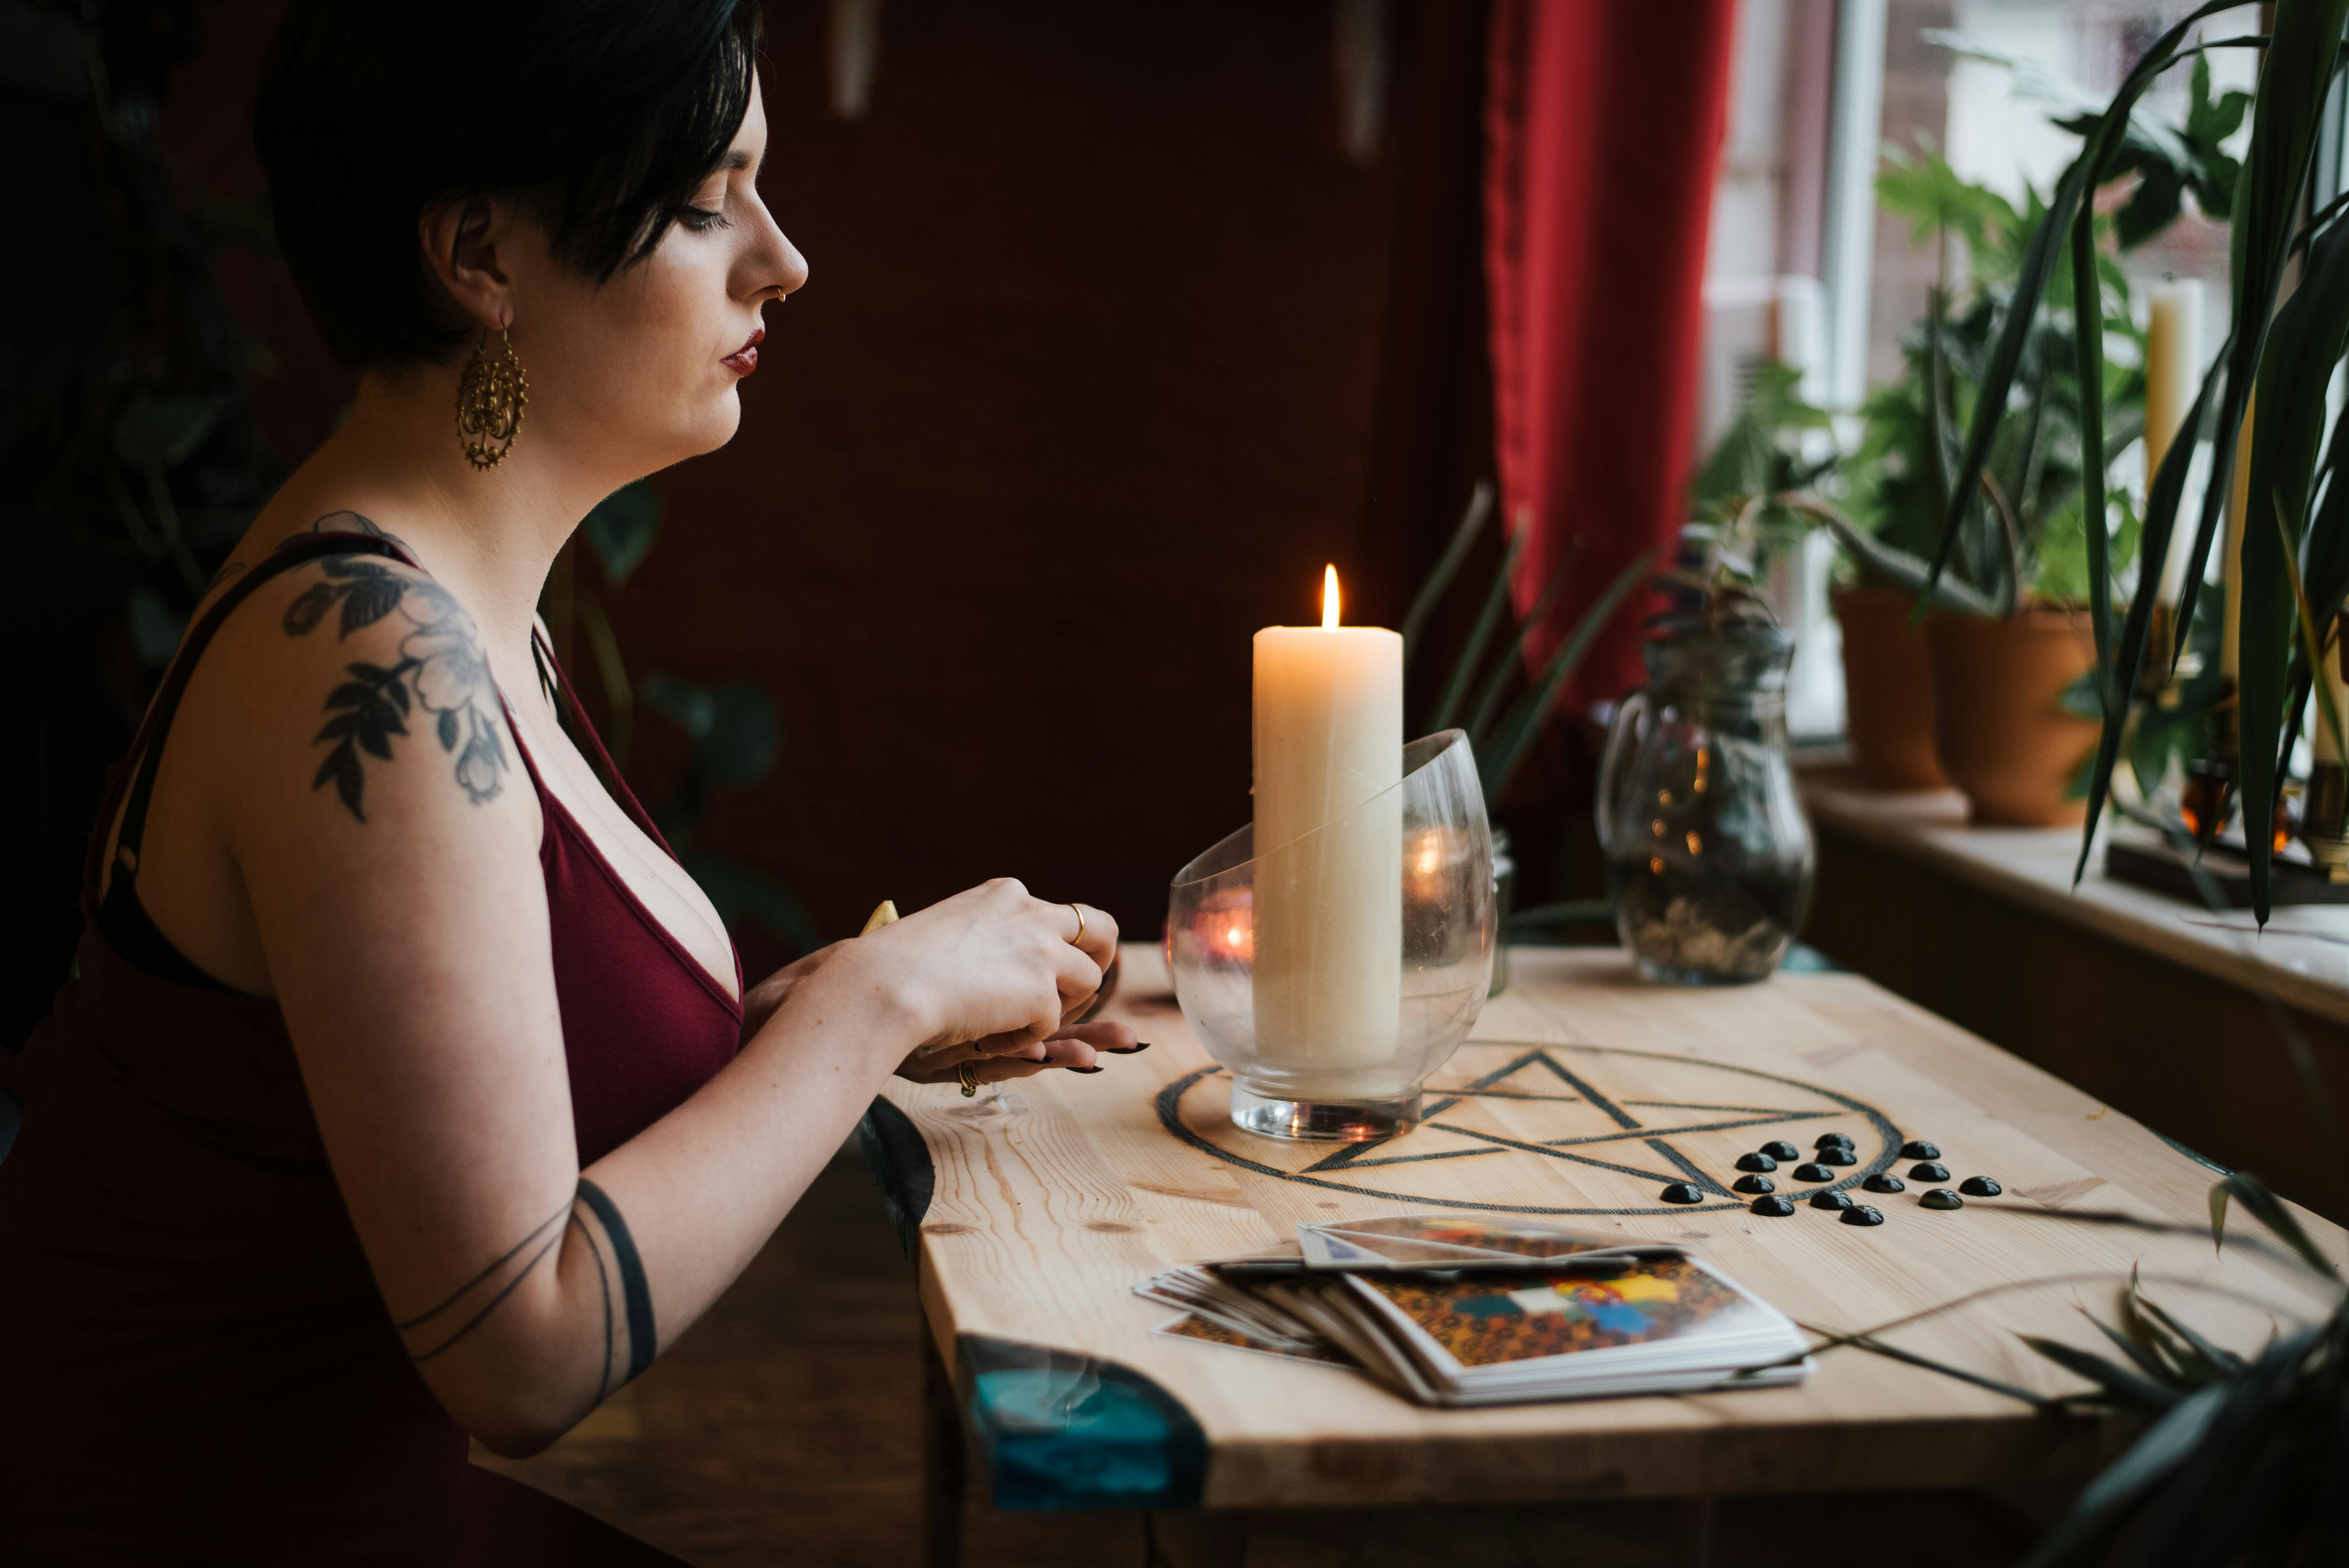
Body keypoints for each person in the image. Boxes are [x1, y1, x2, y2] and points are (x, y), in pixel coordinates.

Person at [0, 2, 1139, 1560]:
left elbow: (477, 1107)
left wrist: (877, 1020)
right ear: (481, 255)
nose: (780, 259)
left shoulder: (454, 607)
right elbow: (521, 1345)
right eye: (700, 203)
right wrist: (874, 996)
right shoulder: (373, 662)